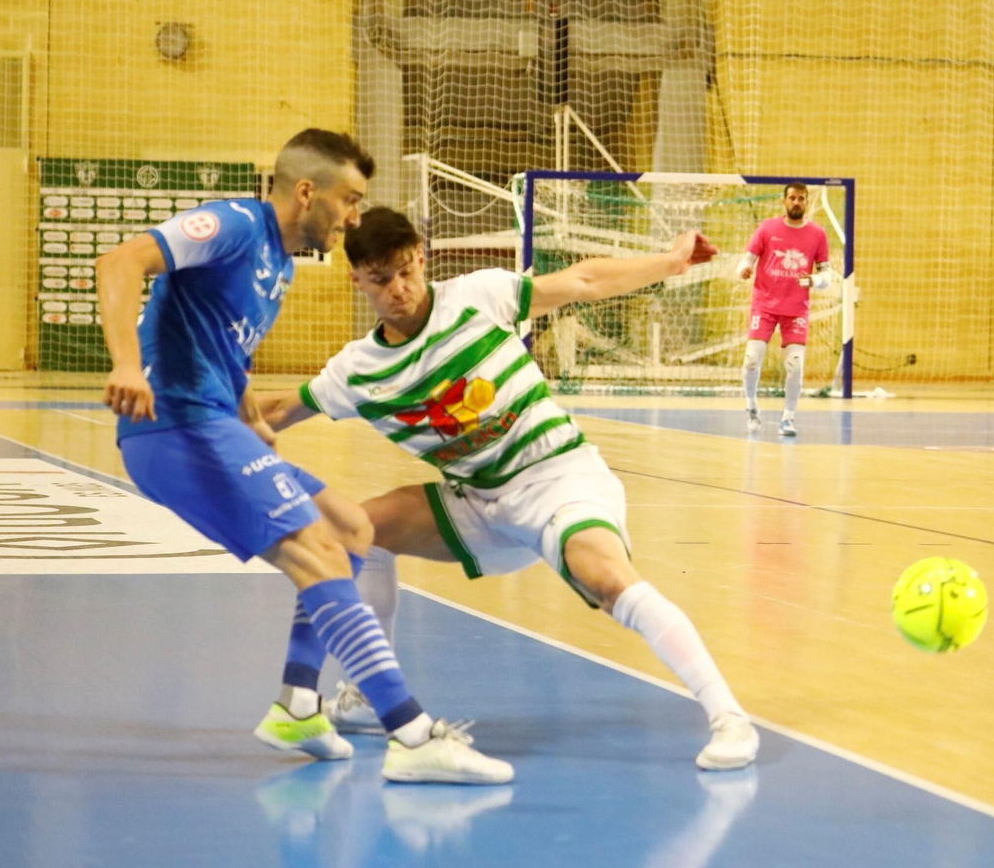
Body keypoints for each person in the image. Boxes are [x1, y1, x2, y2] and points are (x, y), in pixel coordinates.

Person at [255, 207, 760, 771]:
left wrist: (669, 261)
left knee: (606, 580)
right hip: (479, 504)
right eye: (380, 280)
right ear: (357, 281)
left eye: (405, 271)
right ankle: (368, 696)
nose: (398, 290)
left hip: (558, 477)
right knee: (354, 533)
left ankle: (730, 718)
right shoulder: (357, 371)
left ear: (422, 256)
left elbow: (584, 281)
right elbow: (273, 412)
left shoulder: (477, 297)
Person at [96, 129, 510, 784]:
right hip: (173, 427)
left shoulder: (279, 267)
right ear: (307, 191)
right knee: (316, 551)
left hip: (213, 422)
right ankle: (412, 735)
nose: (354, 216)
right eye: (350, 199)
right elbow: (120, 262)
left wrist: (252, 419)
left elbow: (221, 358)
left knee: (351, 529)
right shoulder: (234, 224)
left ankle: (297, 704)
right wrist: (127, 364)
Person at [736, 182, 832, 437]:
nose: (797, 202)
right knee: (752, 358)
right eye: (792, 198)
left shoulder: (817, 234)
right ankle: (751, 407)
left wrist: (815, 280)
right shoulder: (768, 228)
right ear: (784, 201)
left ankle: (788, 418)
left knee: (796, 364)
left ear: (807, 201)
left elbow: (827, 273)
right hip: (765, 305)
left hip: (796, 309)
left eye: (801, 198)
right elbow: (747, 259)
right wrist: (743, 270)